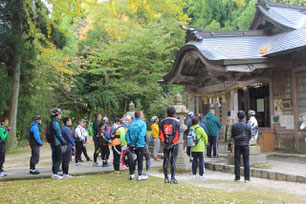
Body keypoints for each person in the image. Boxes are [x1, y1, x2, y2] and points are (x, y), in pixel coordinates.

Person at [159, 106, 181, 184]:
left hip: (165, 143)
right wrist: (173, 143)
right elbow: (177, 134)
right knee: (173, 161)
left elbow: (160, 133)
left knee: (166, 160)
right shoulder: (177, 121)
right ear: (174, 113)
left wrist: (163, 142)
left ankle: (166, 178)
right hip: (174, 144)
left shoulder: (162, 121)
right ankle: (173, 178)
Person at [125, 110, 148, 181]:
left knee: (132, 160)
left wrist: (129, 143)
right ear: (140, 115)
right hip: (139, 145)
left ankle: (131, 174)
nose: (143, 115)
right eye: (142, 114)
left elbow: (127, 135)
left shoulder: (131, 124)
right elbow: (142, 134)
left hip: (131, 144)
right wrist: (138, 143)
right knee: (140, 160)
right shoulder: (143, 123)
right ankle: (139, 175)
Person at [231, 110, 252, 182]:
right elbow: (250, 135)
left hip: (237, 145)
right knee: (246, 161)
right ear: (244, 117)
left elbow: (233, 135)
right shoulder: (247, 125)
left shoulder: (234, 125)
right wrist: (246, 141)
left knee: (237, 161)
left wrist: (236, 140)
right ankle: (247, 178)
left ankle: (237, 177)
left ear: (238, 117)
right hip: (245, 144)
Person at [50, 108, 67, 179]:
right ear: (57, 115)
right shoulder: (55, 123)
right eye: (60, 114)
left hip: (54, 142)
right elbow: (58, 133)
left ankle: (54, 173)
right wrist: (63, 141)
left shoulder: (53, 122)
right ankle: (55, 173)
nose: (61, 115)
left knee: (56, 158)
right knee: (59, 158)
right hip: (57, 143)